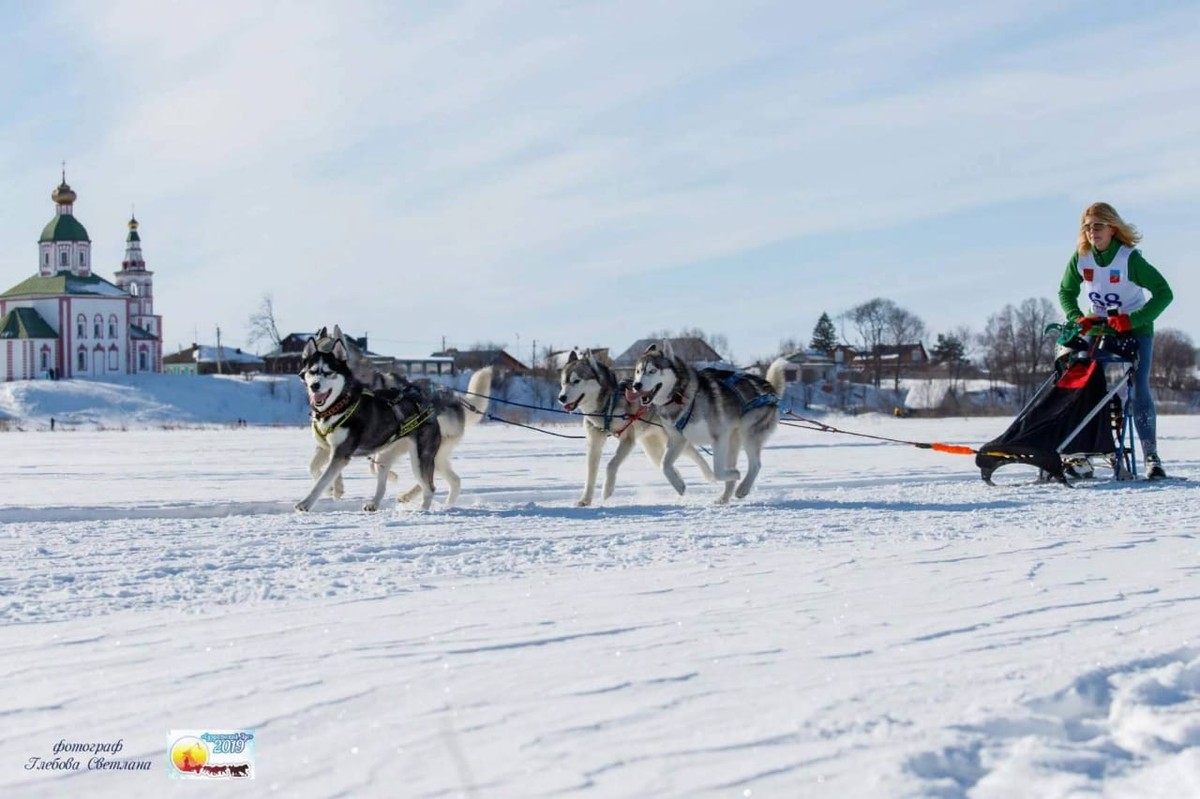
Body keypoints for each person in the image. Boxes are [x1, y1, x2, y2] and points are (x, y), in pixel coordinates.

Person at [1058, 202, 1173, 478]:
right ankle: (1080, 453)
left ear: (1112, 228)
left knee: (1138, 387)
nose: (1091, 232)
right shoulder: (1081, 257)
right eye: (1087, 228)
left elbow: (1164, 293)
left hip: (1134, 328)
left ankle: (1151, 458)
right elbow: (1066, 292)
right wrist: (1076, 318)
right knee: (1081, 382)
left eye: (1097, 226)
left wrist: (1133, 320)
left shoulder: (1129, 259)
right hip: (1098, 327)